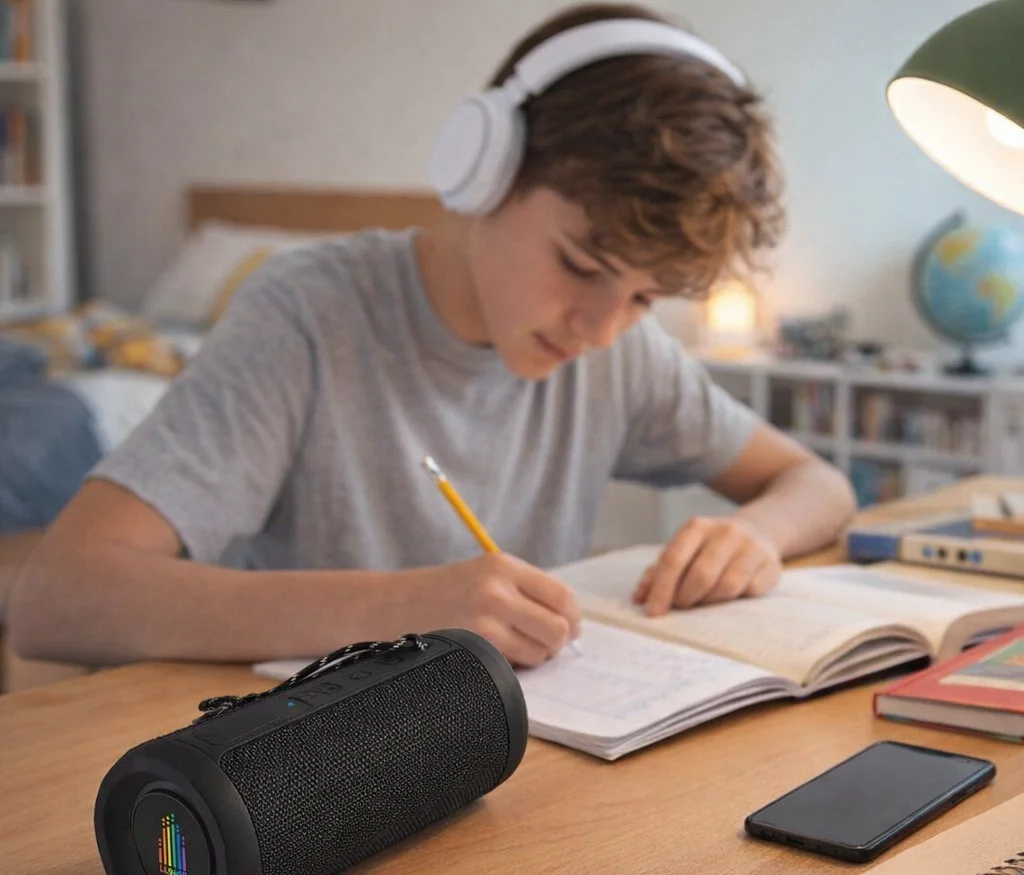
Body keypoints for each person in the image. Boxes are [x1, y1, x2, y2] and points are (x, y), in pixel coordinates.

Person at [8, 2, 855, 671]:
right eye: (582, 262)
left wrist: (756, 535)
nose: (600, 328)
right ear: (483, 168)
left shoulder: (623, 355)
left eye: (646, 297)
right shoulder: (308, 316)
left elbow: (816, 483)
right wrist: (399, 608)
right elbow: (59, 599)